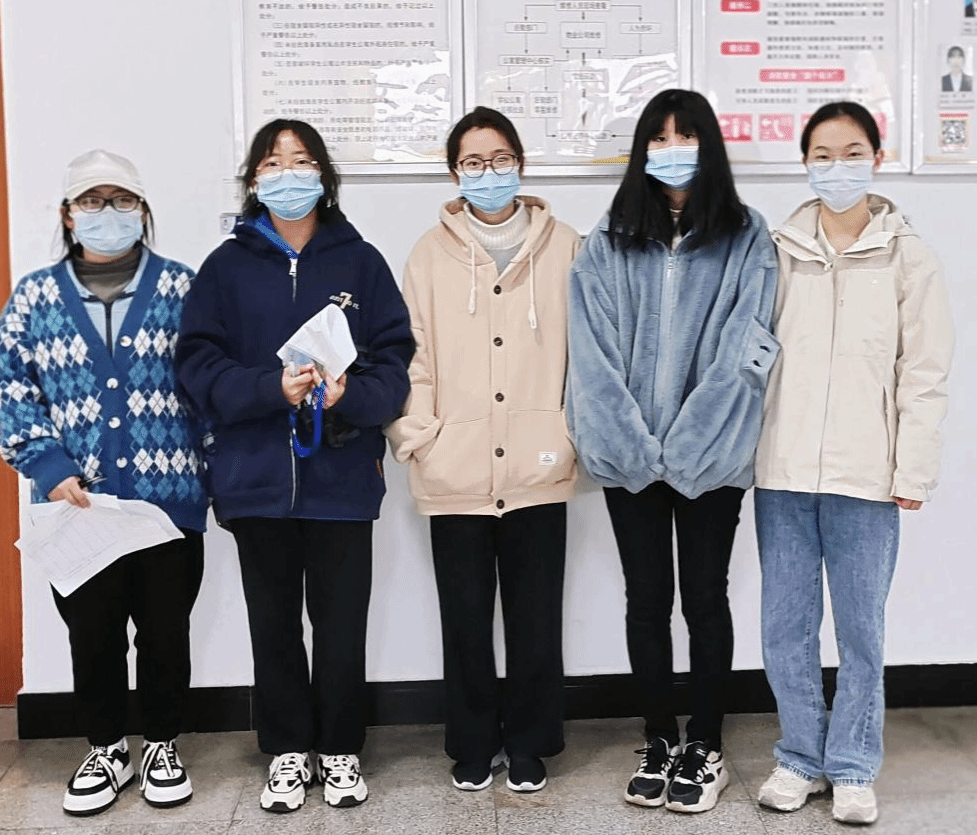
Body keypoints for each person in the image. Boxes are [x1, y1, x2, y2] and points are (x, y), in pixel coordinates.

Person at [174, 119, 413, 813]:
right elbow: (197, 365)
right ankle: (285, 750)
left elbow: (395, 361)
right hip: (254, 480)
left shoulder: (361, 262)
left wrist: (348, 396)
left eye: (302, 160)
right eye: (273, 163)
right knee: (273, 623)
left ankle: (339, 749)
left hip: (343, 477)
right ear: (254, 181)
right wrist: (268, 389)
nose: (288, 173)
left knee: (341, 624)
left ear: (324, 175)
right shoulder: (225, 267)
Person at [566, 89, 779, 814]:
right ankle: (658, 739)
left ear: (708, 146)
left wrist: (687, 443)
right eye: (657, 138)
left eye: (685, 136)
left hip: (711, 456)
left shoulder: (747, 237)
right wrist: (634, 443)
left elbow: (747, 346)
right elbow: (591, 352)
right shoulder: (609, 238)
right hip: (629, 458)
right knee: (647, 599)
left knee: (706, 598)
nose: (671, 149)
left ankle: (706, 744)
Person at [753, 102, 953, 826]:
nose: (837, 166)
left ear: (876, 157)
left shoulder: (908, 255)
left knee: (861, 630)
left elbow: (924, 371)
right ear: (805, 161)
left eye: (852, 152)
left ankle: (854, 765)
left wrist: (913, 470)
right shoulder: (776, 250)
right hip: (781, 472)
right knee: (786, 628)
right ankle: (799, 757)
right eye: (823, 154)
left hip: (866, 477)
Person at [0, 150, 209, 816]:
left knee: (165, 632)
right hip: (76, 507)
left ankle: (162, 743)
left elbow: (210, 385)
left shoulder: (183, 288)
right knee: (92, 634)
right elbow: (12, 390)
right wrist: (48, 465)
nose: (107, 213)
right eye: (92, 200)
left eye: (121, 200)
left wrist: (219, 470)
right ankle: (107, 746)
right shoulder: (33, 297)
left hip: (166, 504)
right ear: (68, 214)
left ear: (142, 211)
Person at [387, 106, 580, 794]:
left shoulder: (567, 247)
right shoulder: (427, 254)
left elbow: (588, 354)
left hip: (539, 463)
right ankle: (472, 742)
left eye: (500, 159)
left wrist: (568, 434)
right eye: (473, 162)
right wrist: (420, 438)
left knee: (535, 619)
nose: (488, 172)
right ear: (454, 173)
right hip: (455, 468)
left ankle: (530, 742)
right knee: (465, 620)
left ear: (520, 164)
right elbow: (410, 355)